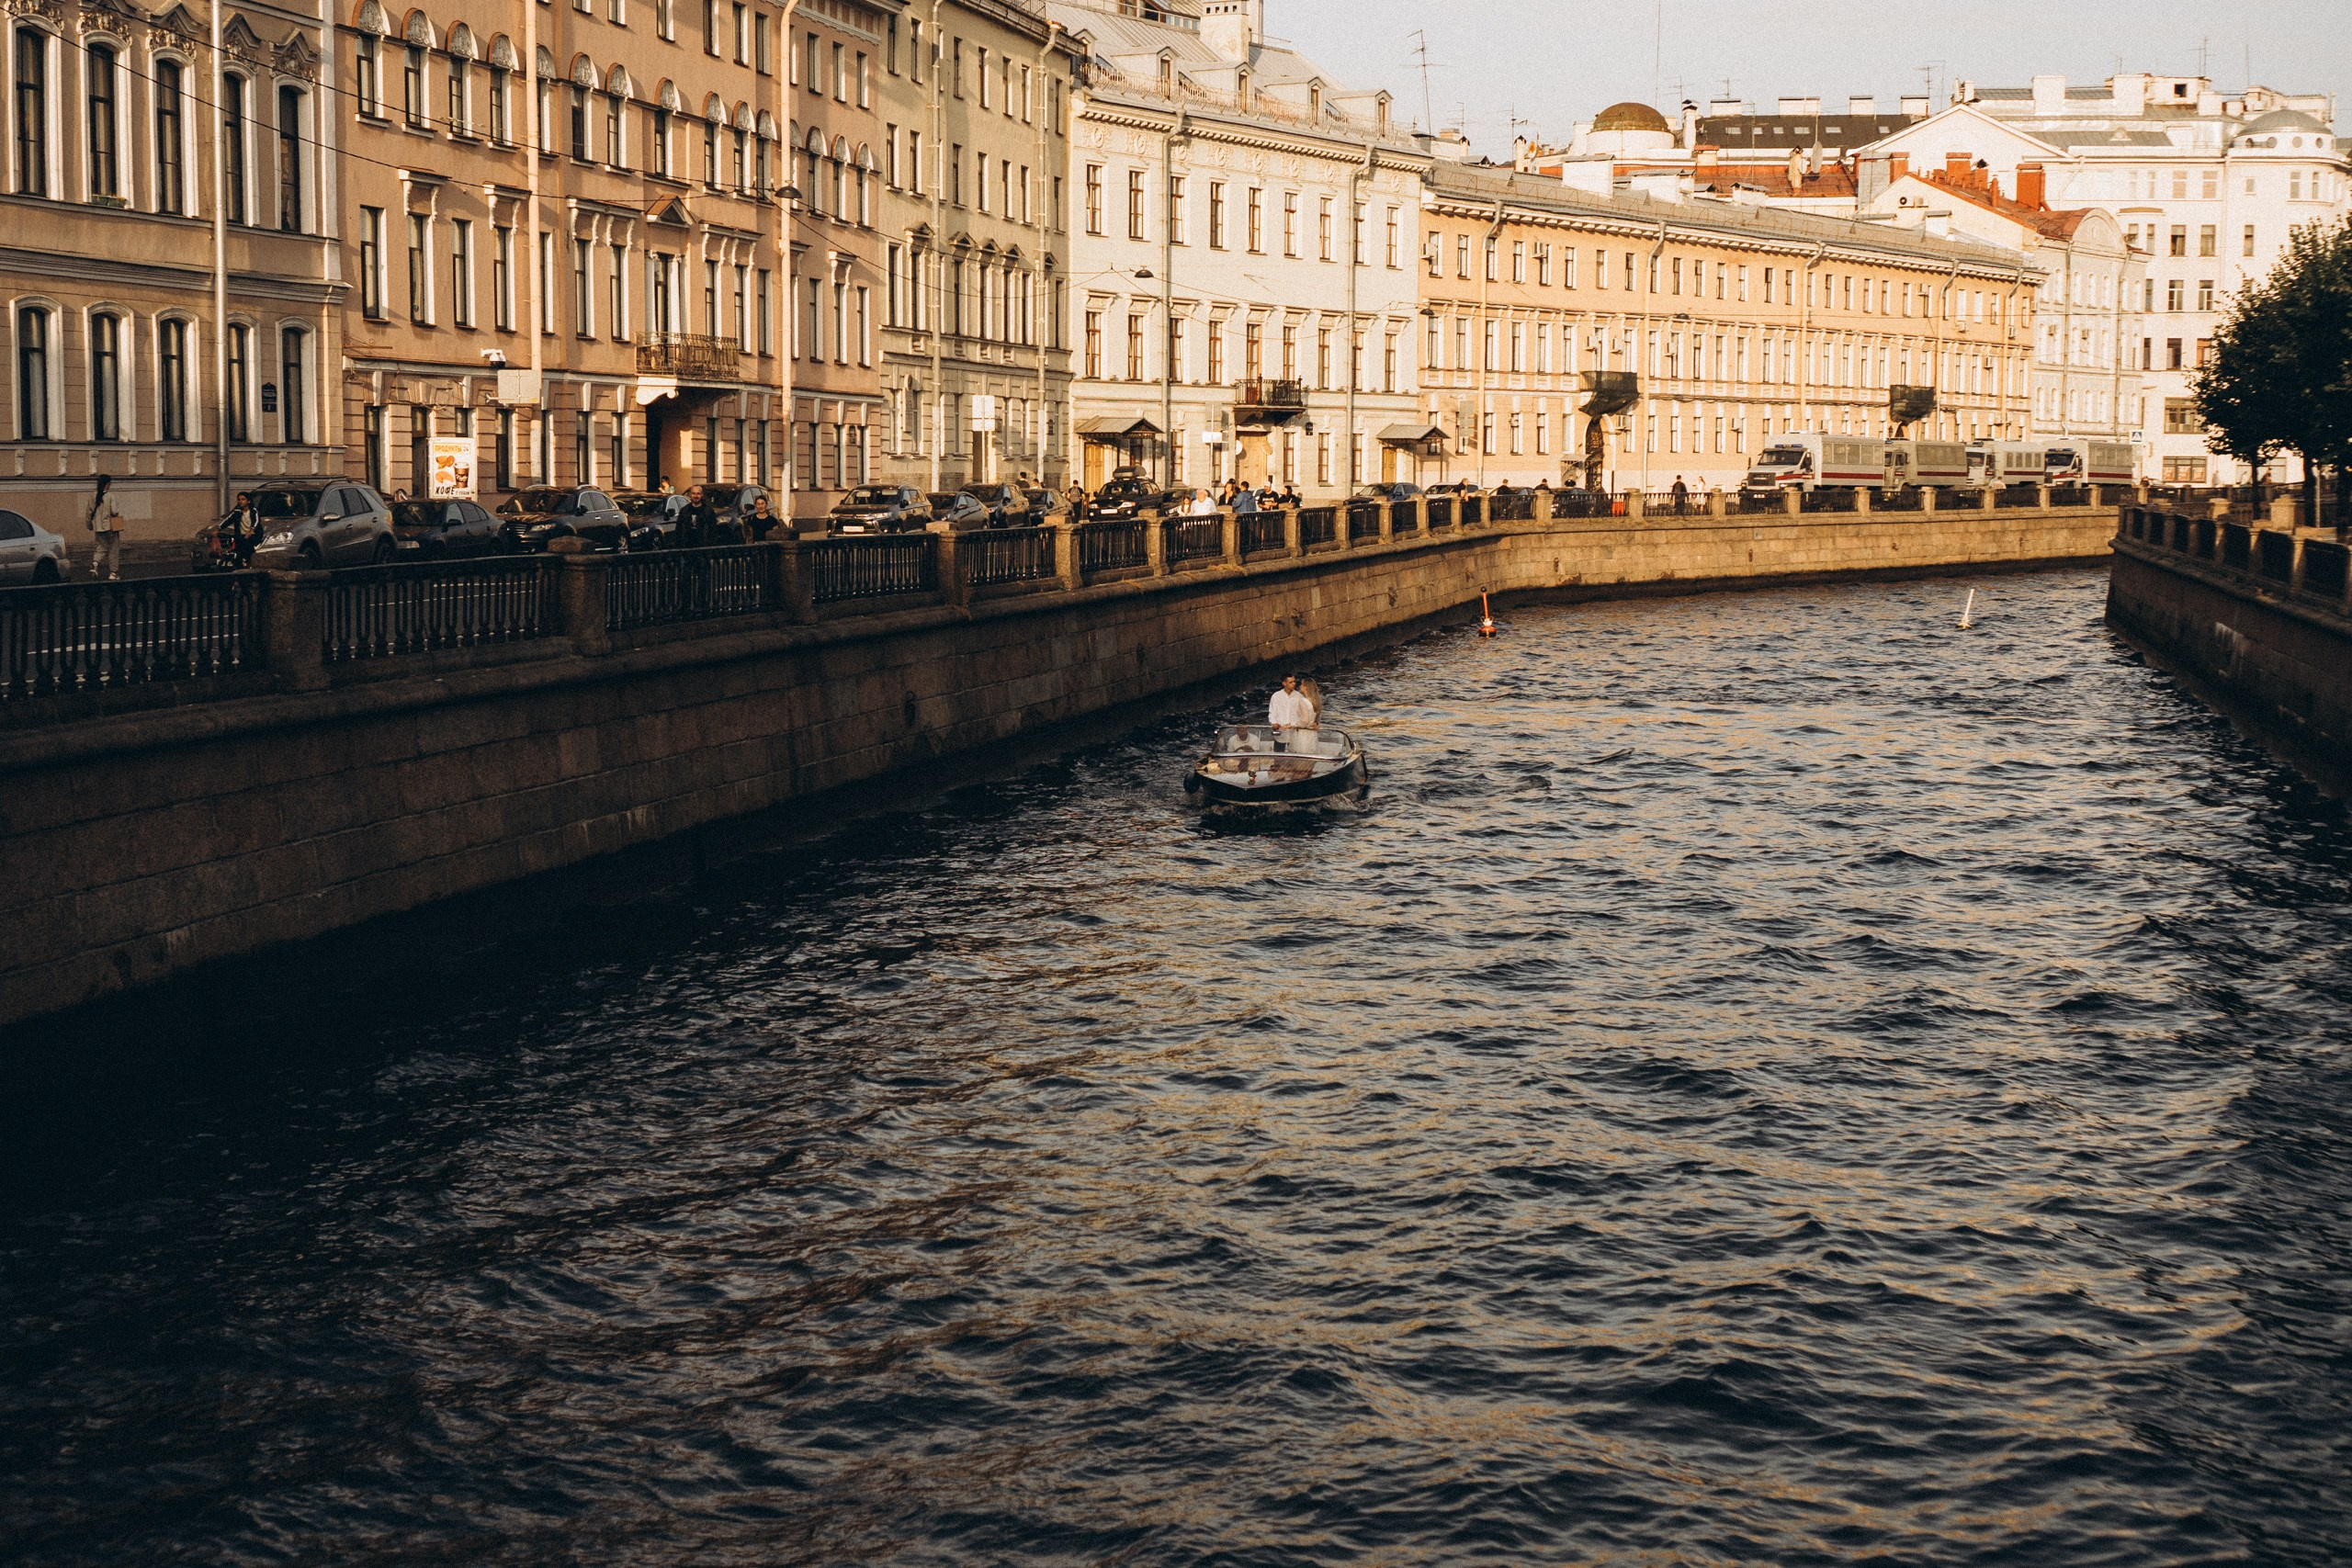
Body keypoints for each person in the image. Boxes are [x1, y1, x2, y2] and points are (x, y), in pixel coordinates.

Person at [85, 473, 123, 581]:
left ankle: (95, 563)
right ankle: (113, 573)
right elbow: (114, 511)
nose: (110, 486)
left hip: (98, 528)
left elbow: (88, 513)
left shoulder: (92, 496)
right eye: (110, 484)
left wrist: (89, 525)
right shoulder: (111, 496)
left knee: (100, 548)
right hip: (110, 527)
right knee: (113, 549)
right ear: (107, 484)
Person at [1268, 674, 1316, 739]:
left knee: (1294, 748)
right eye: (1291, 682)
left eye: (1294, 681)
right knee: (1279, 748)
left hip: (1295, 731)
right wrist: (1274, 723)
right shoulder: (1276, 696)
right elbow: (1272, 712)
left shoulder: (1299, 696)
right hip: (1281, 730)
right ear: (1284, 683)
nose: (1294, 684)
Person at [673, 482, 718, 548]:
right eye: (693, 493)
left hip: (703, 548)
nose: (696, 496)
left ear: (702, 495)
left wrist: (711, 546)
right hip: (686, 547)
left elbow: (713, 530)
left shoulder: (708, 511)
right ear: (690, 495)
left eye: (698, 493)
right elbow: (678, 529)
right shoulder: (684, 511)